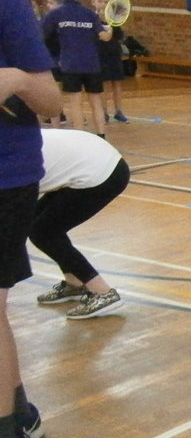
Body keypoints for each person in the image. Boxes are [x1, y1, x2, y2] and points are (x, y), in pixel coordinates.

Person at [1, 0, 63, 438]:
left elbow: (51, 100)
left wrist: (17, 79)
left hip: (5, 176)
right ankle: (18, 411)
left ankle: (5, 437)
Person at [31, 129, 129, 319]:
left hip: (100, 172)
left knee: (42, 231)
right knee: (40, 225)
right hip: (91, 160)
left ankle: (103, 292)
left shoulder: (11, 159)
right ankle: (74, 284)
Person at [41, 0, 112, 138]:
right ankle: (101, 135)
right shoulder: (88, 13)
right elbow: (104, 36)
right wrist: (110, 31)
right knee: (96, 102)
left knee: (75, 102)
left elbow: (41, 35)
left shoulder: (54, 14)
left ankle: (81, 137)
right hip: (91, 64)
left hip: (69, 64)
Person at [89, 0, 127, 124]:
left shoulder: (113, 18)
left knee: (117, 83)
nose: (103, 4)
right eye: (100, 1)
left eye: (106, 1)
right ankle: (104, 112)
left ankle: (118, 111)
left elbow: (119, 36)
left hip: (113, 52)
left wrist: (112, 24)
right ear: (93, 2)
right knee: (103, 84)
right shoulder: (91, 18)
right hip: (99, 53)